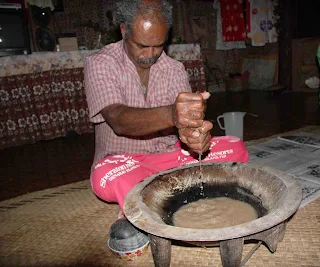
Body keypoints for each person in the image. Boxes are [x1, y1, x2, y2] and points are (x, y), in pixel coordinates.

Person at [84, 0, 248, 220]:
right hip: (126, 162)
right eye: (141, 46)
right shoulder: (101, 63)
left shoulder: (174, 69)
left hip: (171, 159)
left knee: (234, 148)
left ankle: (155, 191)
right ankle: (172, 189)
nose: (150, 54)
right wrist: (172, 114)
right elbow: (118, 119)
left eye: (158, 45)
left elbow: (186, 123)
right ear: (124, 30)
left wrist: (196, 137)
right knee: (106, 176)